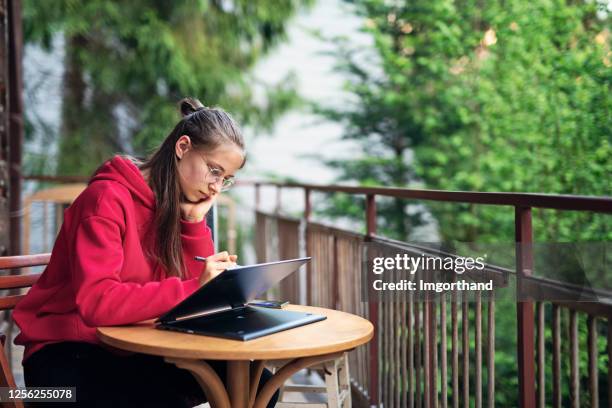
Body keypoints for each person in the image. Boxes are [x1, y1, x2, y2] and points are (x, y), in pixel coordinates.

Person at [13, 97, 279, 407]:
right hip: (63, 356)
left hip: (133, 347)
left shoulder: (173, 205)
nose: (216, 187)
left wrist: (193, 225)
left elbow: (190, 306)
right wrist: (195, 287)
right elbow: (97, 303)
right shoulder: (105, 200)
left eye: (225, 179)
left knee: (259, 386)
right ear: (182, 147)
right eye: (214, 171)